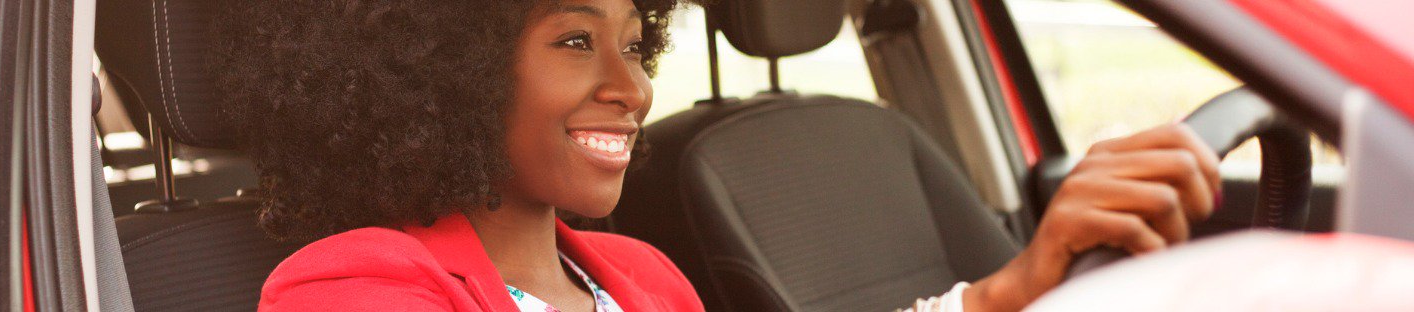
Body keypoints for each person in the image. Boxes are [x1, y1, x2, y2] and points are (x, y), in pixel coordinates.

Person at [212, 0, 1221, 311]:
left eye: (632, 42)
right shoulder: (351, 285)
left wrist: (1000, 294)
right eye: (575, 41)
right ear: (445, 68)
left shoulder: (637, 277)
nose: (634, 83)